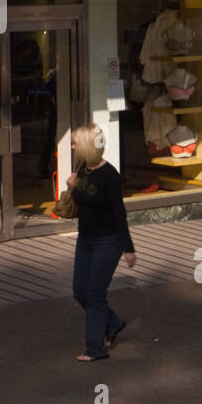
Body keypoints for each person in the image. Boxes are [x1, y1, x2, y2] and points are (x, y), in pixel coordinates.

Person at [67, 122, 136, 362]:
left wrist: (128, 248)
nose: (73, 146)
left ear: (86, 146)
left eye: (76, 143)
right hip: (86, 238)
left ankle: (96, 348)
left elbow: (120, 212)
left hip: (108, 240)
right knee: (79, 291)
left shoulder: (110, 175)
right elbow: (82, 201)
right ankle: (113, 322)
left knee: (95, 294)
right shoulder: (83, 169)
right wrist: (72, 188)